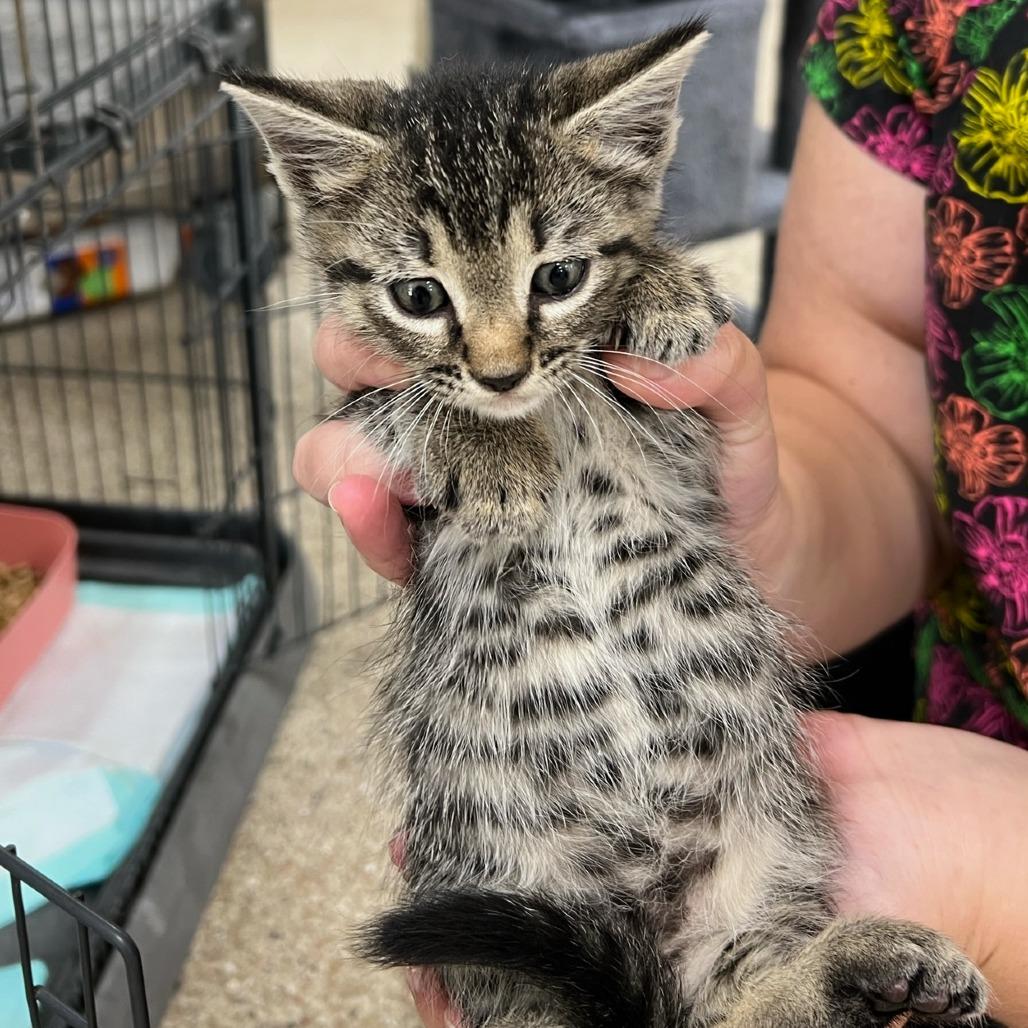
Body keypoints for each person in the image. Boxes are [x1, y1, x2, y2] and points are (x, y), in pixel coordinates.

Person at [293, 2, 1028, 1023]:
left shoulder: (623, 283)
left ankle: (771, 987)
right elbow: (868, 379)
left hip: (855, 791)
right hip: (524, 803)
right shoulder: (917, 23)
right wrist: (422, 423)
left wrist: (992, 861)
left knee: (759, 874)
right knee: (520, 930)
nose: (499, 359)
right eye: (426, 299)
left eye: (553, 280)